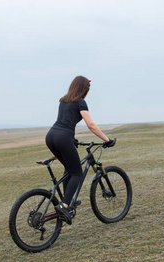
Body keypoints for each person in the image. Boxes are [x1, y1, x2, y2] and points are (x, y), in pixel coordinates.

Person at [45, 75, 115, 225]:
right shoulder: (80, 102)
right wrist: (106, 140)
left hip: (51, 136)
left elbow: (65, 121)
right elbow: (91, 125)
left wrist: (72, 140)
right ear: (84, 89)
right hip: (63, 137)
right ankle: (64, 206)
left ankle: (66, 201)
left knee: (69, 169)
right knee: (77, 172)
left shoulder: (63, 100)